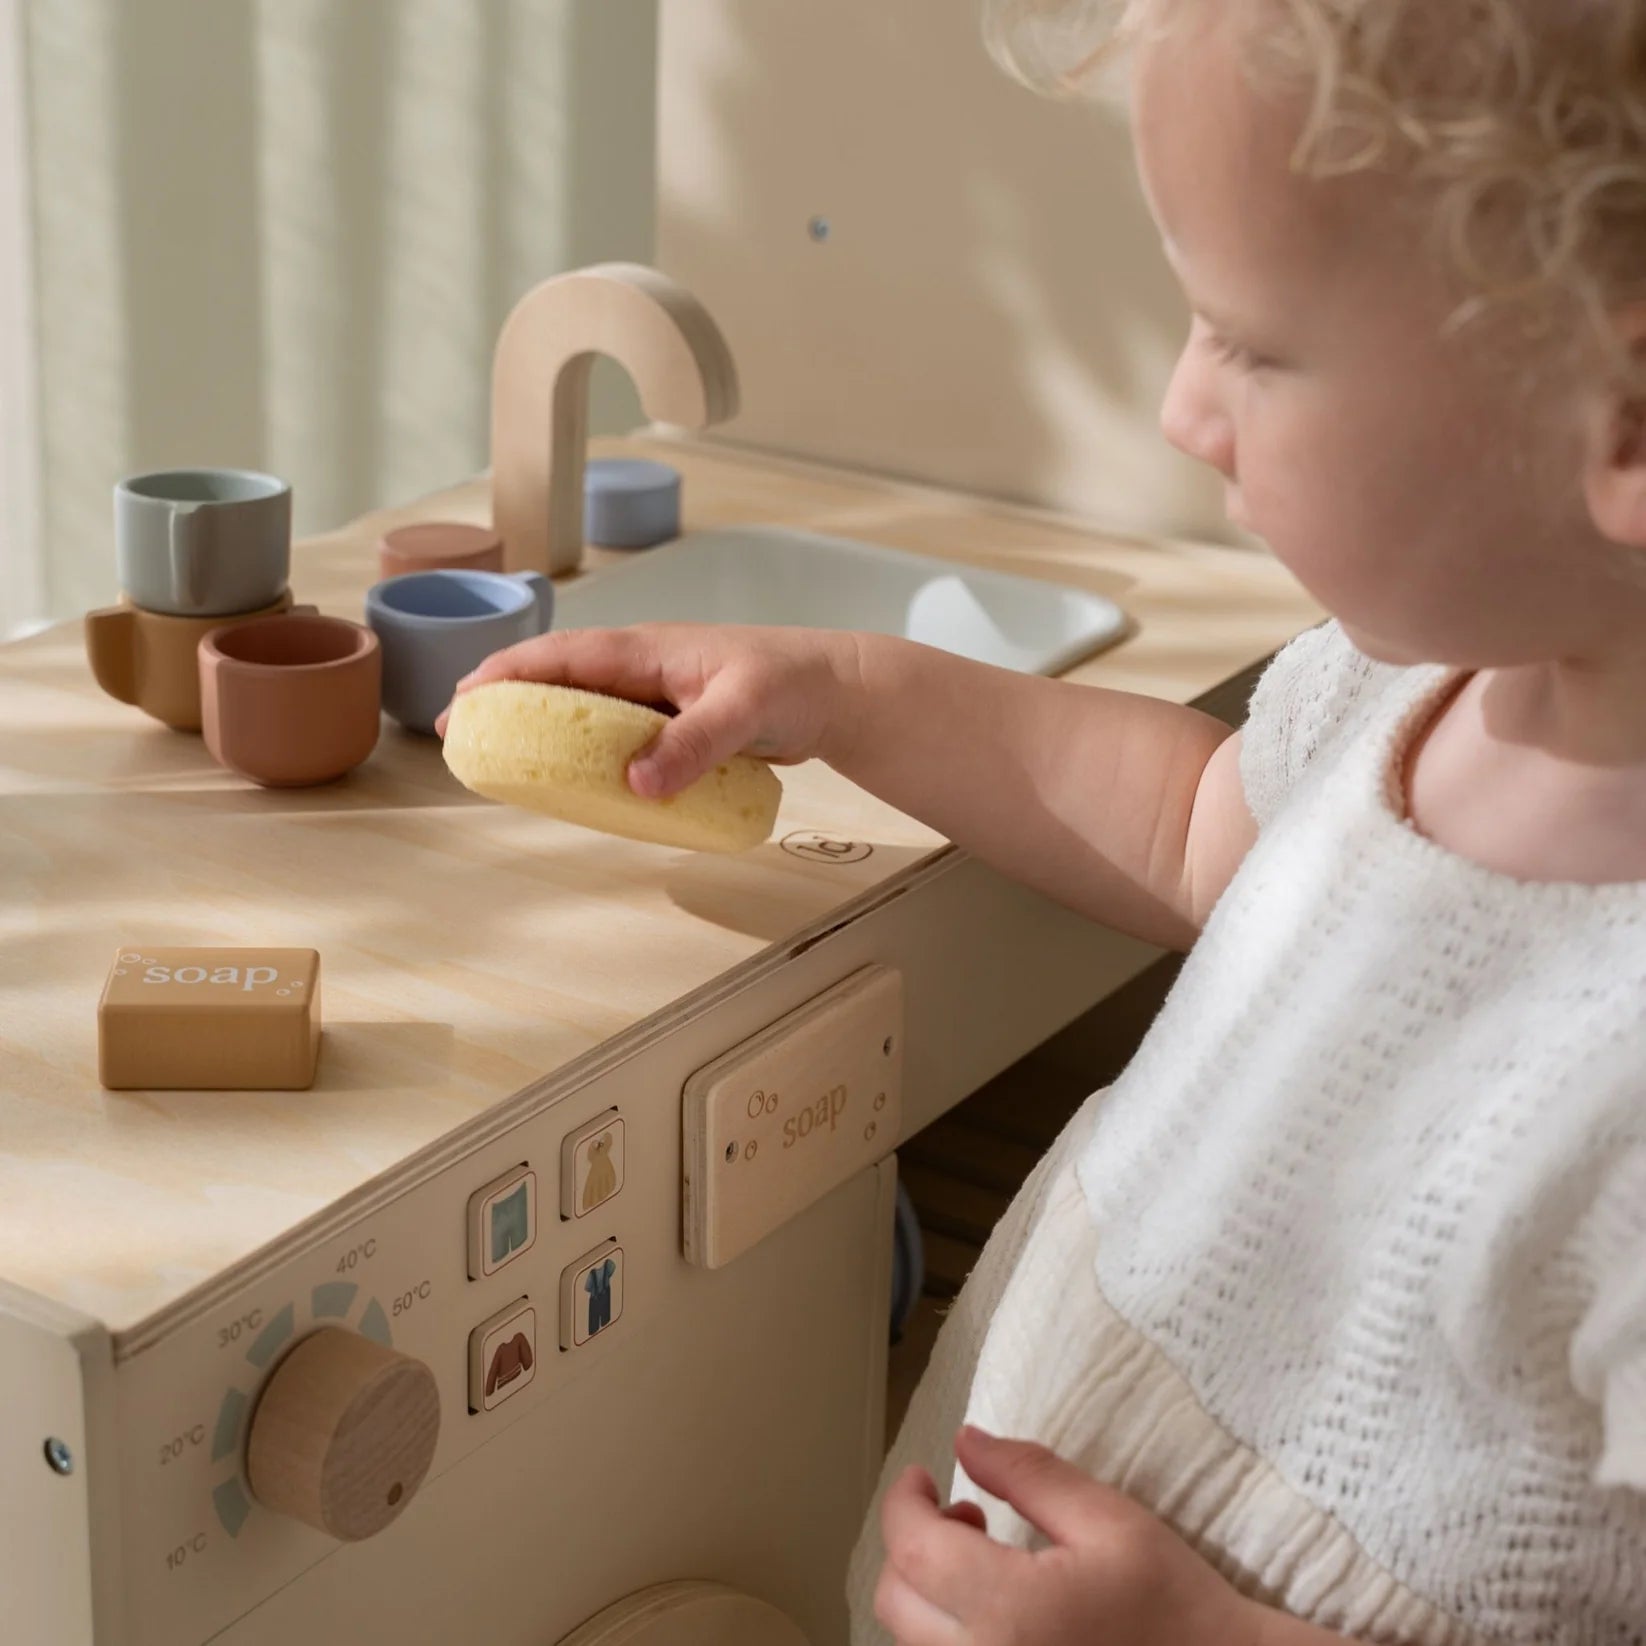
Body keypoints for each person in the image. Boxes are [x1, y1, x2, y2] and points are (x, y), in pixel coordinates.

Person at [442, 0, 1646, 1638]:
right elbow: (1190, 820)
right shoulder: (1425, 692)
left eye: (1248, 345)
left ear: (1625, 417)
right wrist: (845, 690)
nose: (1182, 408)